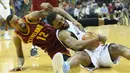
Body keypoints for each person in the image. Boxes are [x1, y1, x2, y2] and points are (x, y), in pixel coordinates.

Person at [46, 12, 130, 73]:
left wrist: (114, 21)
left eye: (62, 19)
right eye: (59, 24)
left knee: (117, 47)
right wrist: (97, 38)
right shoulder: (62, 33)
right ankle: (64, 67)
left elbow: (60, 10)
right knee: (79, 55)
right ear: (54, 27)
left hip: (100, 50)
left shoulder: (71, 21)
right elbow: (77, 46)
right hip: (88, 57)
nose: (63, 23)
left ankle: (116, 20)